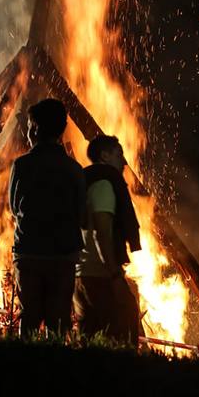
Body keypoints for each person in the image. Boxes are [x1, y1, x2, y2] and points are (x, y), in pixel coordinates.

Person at [9, 98, 85, 336]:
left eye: (31, 126)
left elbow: (13, 207)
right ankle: (55, 367)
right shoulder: (74, 169)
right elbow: (81, 213)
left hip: (29, 252)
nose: (29, 132)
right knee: (59, 318)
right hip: (63, 255)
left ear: (36, 129)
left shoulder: (21, 165)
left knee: (29, 317)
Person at [73, 135, 142, 346]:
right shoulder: (104, 184)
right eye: (119, 154)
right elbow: (102, 233)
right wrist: (115, 274)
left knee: (90, 338)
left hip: (82, 275)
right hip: (99, 276)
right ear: (104, 155)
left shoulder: (86, 181)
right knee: (121, 335)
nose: (123, 161)